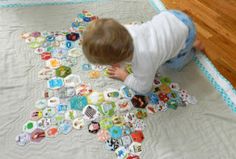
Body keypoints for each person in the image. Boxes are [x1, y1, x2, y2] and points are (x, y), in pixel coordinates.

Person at [82, 10, 204, 94]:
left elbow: (143, 88)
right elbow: (114, 42)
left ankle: (193, 47)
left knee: (174, 65)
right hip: (171, 16)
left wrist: (125, 76)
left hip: (185, 33)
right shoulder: (124, 30)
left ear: (117, 60)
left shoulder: (144, 61)